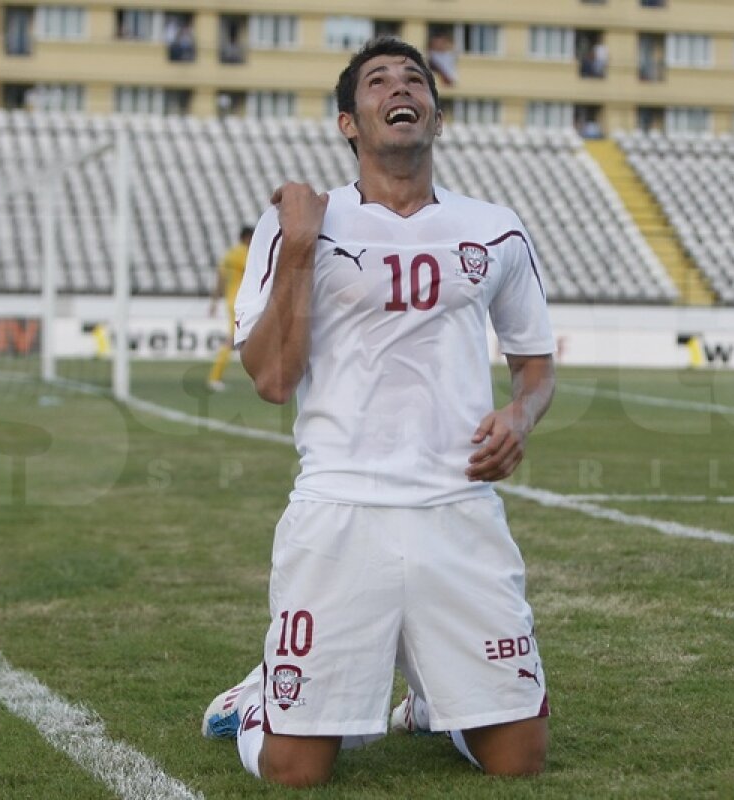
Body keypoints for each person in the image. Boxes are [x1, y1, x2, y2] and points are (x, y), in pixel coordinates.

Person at [201, 37, 556, 788]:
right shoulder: (298, 224)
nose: (401, 87)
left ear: (436, 113)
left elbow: (535, 364)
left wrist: (519, 417)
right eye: (377, 81)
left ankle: (435, 704)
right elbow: (269, 379)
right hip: (341, 509)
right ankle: (258, 697)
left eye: (414, 79)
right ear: (349, 124)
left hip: (458, 508)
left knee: (519, 762)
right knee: (295, 772)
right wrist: (300, 243)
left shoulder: (494, 227)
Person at [206, 226, 253, 392]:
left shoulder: (228, 255)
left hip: (230, 300)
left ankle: (255, 376)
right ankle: (214, 377)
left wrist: (214, 302)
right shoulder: (244, 254)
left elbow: (220, 280)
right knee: (234, 339)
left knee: (248, 338)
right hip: (242, 301)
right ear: (247, 238)